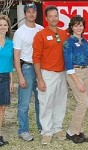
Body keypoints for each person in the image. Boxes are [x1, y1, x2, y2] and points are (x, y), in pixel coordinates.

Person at [32, 5, 68, 145]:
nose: (54, 18)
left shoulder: (64, 33)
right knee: (46, 103)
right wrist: (40, 79)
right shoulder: (40, 35)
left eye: (56, 15)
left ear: (59, 17)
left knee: (60, 102)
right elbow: (36, 57)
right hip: (47, 74)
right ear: (46, 18)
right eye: (51, 16)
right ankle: (46, 131)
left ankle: (57, 128)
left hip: (62, 73)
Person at [13, 3, 43, 141]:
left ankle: (42, 126)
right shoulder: (20, 32)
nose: (31, 14)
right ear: (25, 14)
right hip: (26, 68)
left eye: (34, 11)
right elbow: (16, 56)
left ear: (36, 14)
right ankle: (23, 130)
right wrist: (20, 76)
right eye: (29, 11)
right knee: (24, 102)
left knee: (40, 100)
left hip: (40, 68)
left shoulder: (41, 29)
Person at [64, 15, 88, 144]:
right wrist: (77, 80)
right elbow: (68, 64)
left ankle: (79, 130)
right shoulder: (68, 43)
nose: (79, 27)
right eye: (76, 25)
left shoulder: (85, 41)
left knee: (83, 103)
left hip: (86, 71)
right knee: (83, 103)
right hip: (74, 73)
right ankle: (71, 132)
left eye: (81, 25)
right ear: (71, 27)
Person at [0, 14, 13, 147]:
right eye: (0, 25)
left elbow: (10, 64)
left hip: (4, 77)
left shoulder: (10, 43)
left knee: (2, 107)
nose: (2, 27)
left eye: (5, 25)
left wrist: (10, 81)